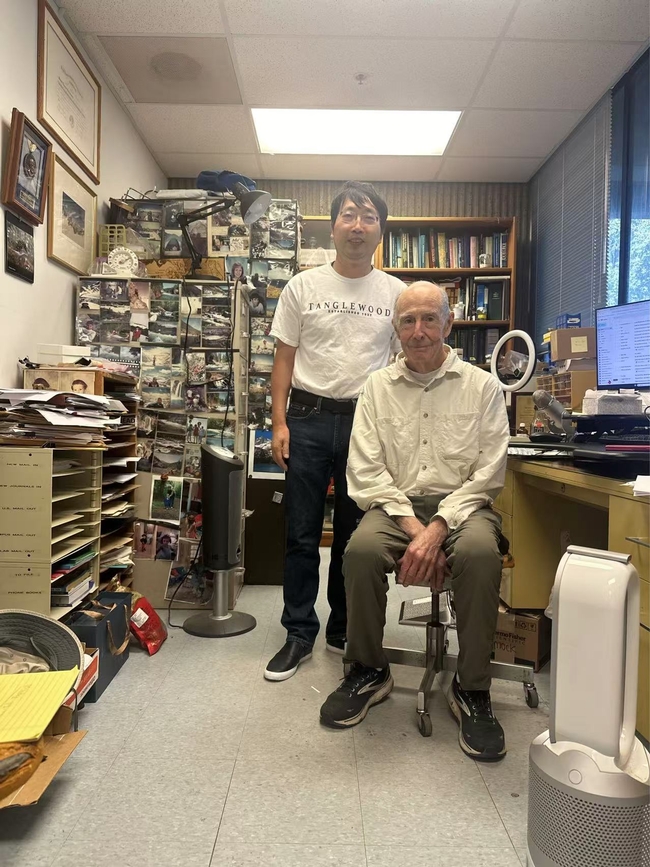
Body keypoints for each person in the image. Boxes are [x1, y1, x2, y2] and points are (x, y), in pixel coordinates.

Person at [319, 282, 510, 762]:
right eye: (408, 321)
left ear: (449, 323)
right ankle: (367, 669)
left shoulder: (483, 387)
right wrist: (416, 533)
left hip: (464, 506)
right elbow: (365, 470)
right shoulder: (377, 389)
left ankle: (472, 688)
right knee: (359, 552)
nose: (419, 331)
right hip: (396, 505)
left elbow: (489, 473)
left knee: (481, 554)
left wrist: (439, 529)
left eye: (429, 319)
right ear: (395, 329)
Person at [264, 181, 406, 682]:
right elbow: (283, 359)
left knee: (353, 536)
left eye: (369, 217)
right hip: (304, 418)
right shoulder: (303, 286)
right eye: (349, 215)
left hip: (366, 423)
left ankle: (343, 629)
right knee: (300, 533)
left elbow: (406, 364)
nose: (358, 225)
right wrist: (278, 421)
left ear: (380, 231)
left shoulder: (396, 294)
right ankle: (298, 631)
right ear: (333, 225)